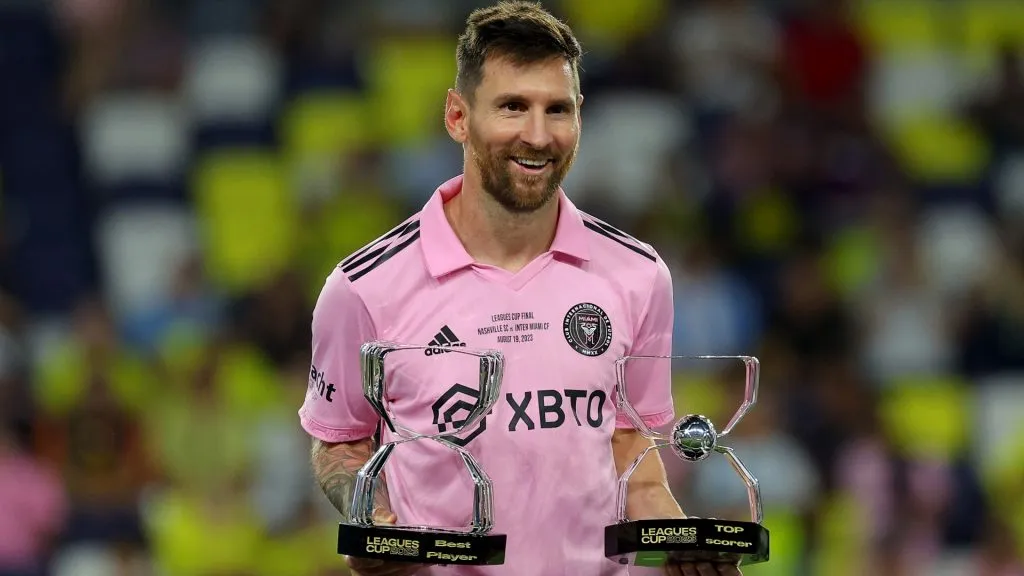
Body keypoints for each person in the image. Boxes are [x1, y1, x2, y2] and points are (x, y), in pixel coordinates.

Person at [298, 2, 741, 575]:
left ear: (579, 116)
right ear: (458, 117)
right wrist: (375, 519)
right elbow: (340, 439)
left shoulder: (638, 275)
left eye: (557, 110)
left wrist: (681, 543)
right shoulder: (362, 288)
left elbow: (633, 448)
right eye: (513, 107)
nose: (538, 135)